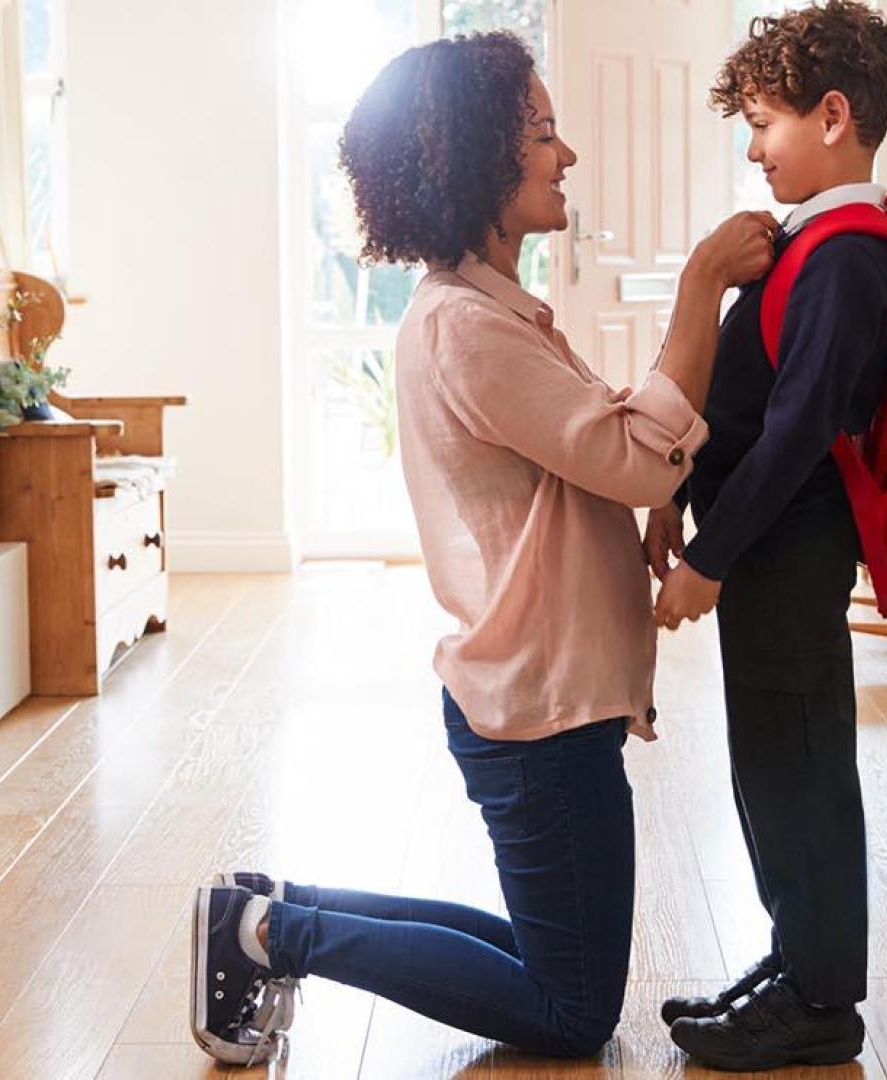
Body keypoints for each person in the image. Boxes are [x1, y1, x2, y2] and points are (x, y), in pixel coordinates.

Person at [187, 31, 778, 1066]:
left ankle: (270, 908)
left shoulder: (489, 312)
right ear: (474, 162)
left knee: (554, 961)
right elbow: (638, 456)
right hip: (540, 713)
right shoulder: (469, 328)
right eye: (543, 134)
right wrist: (700, 289)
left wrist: (640, 495)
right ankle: (277, 936)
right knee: (570, 1008)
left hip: (540, 699)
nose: (568, 155)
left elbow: (593, 461)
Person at [644, 1, 887, 1070]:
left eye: (764, 122)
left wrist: (710, 557)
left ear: (833, 115)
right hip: (767, 549)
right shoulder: (809, 243)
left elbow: (801, 430)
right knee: (768, 764)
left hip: (789, 552)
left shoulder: (848, 255)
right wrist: (681, 495)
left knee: (799, 768)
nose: (753, 148)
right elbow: (754, 402)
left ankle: (822, 999)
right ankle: (798, 963)